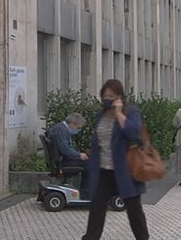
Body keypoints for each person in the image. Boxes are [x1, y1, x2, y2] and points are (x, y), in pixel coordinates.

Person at [82, 79, 149, 240]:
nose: (107, 99)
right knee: (97, 209)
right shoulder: (101, 116)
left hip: (125, 171)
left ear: (119, 97)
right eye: (105, 95)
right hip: (104, 171)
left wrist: (119, 113)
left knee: (134, 211)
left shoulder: (130, 111)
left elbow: (133, 134)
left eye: (111, 95)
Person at [48, 113, 89, 198]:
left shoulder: (61, 128)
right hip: (63, 161)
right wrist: (79, 155)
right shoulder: (61, 130)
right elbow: (64, 149)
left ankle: (86, 191)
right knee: (90, 164)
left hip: (62, 159)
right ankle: (86, 193)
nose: (78, 130)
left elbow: (66, 148)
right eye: (78, 128)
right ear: (72, 124)